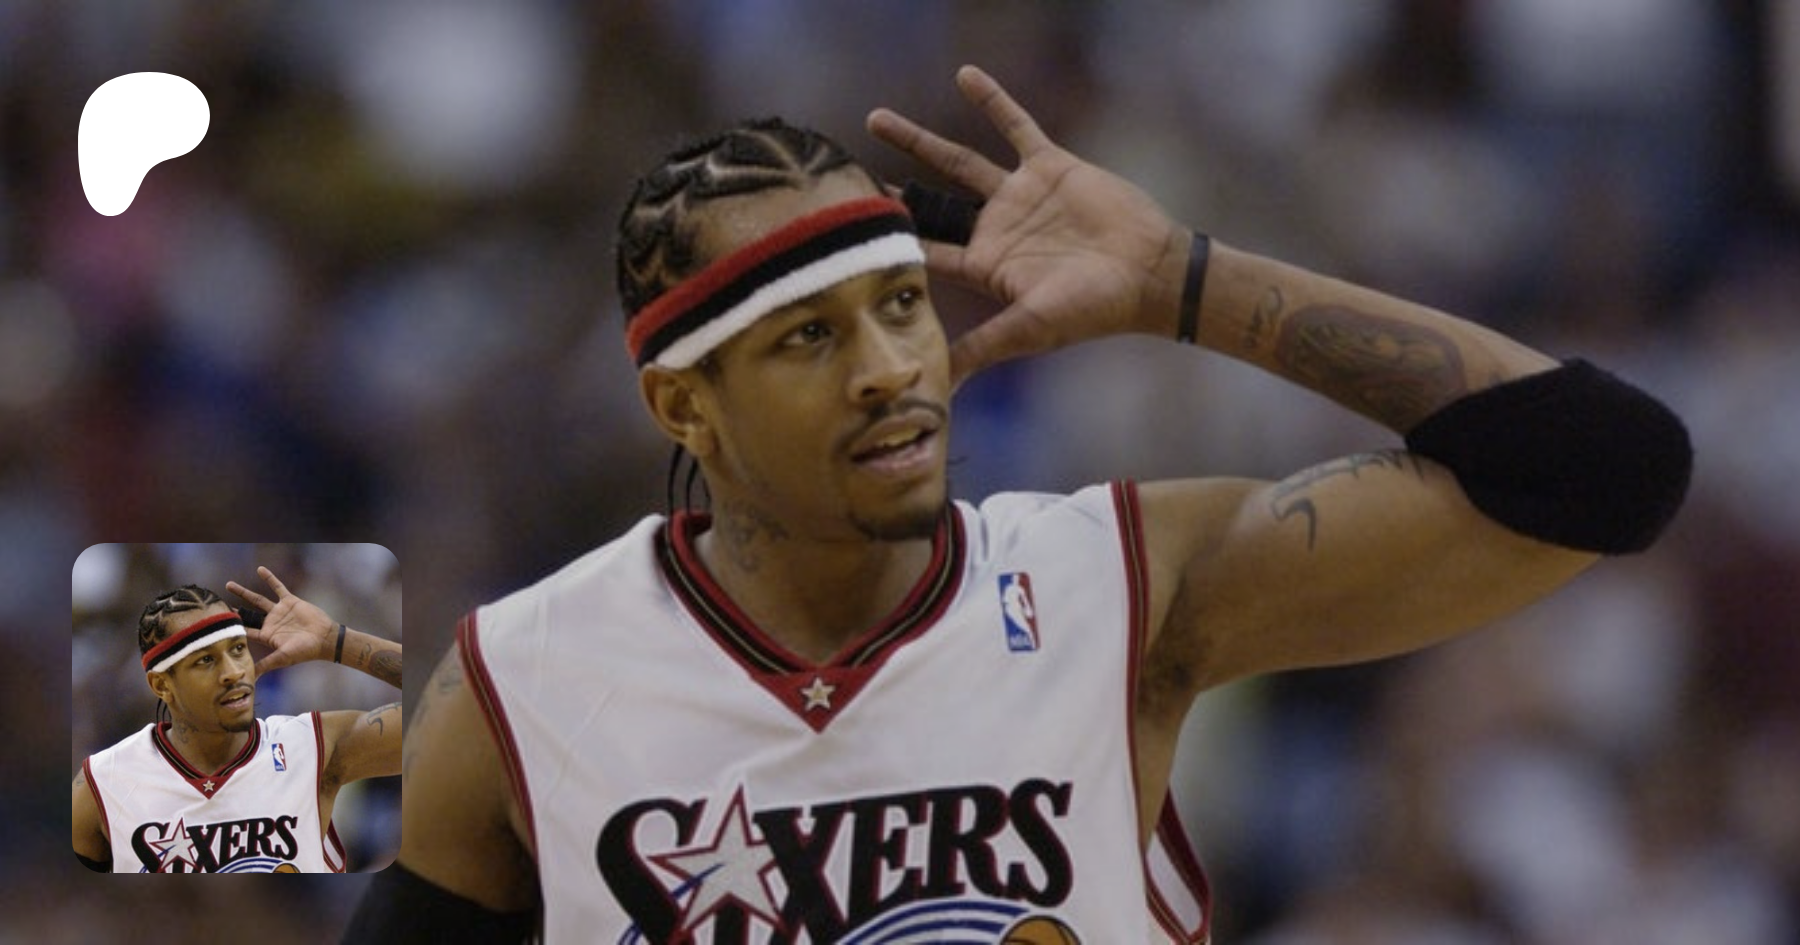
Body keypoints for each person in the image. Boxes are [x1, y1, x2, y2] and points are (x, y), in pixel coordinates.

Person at [344, 66, 1689, 943]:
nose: (889, 369)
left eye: (901, 305)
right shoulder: (517, 679)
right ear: (685, 407)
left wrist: (1184, 284)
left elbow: (1609, 472)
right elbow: (246, 835)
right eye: (810, 338)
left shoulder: (1120, 584)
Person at [72, 566, 402, 873]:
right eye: (205, 660)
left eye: (238, 650)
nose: (233, 672)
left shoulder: (313, 745)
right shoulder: (103, 781)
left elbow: (432, 721)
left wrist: (336, 642)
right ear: (162, 685)